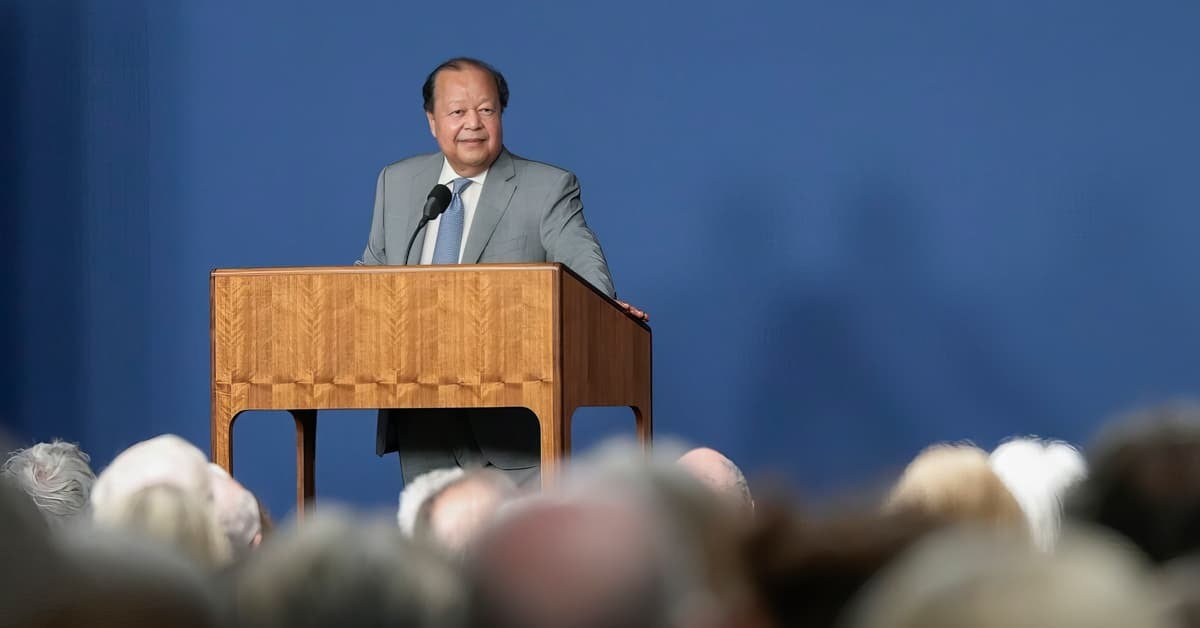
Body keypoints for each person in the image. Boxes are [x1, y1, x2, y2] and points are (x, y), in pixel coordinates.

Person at [358, 57, 646, 485]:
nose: (472, 123)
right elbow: (369, 279)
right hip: (421, 419)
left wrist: (600, 309)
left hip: (510, 425)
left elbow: (585, 270)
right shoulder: (396, 183)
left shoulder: (547, 188)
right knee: (431, 551)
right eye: (457, 112)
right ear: (432, 121)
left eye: (486, 110)